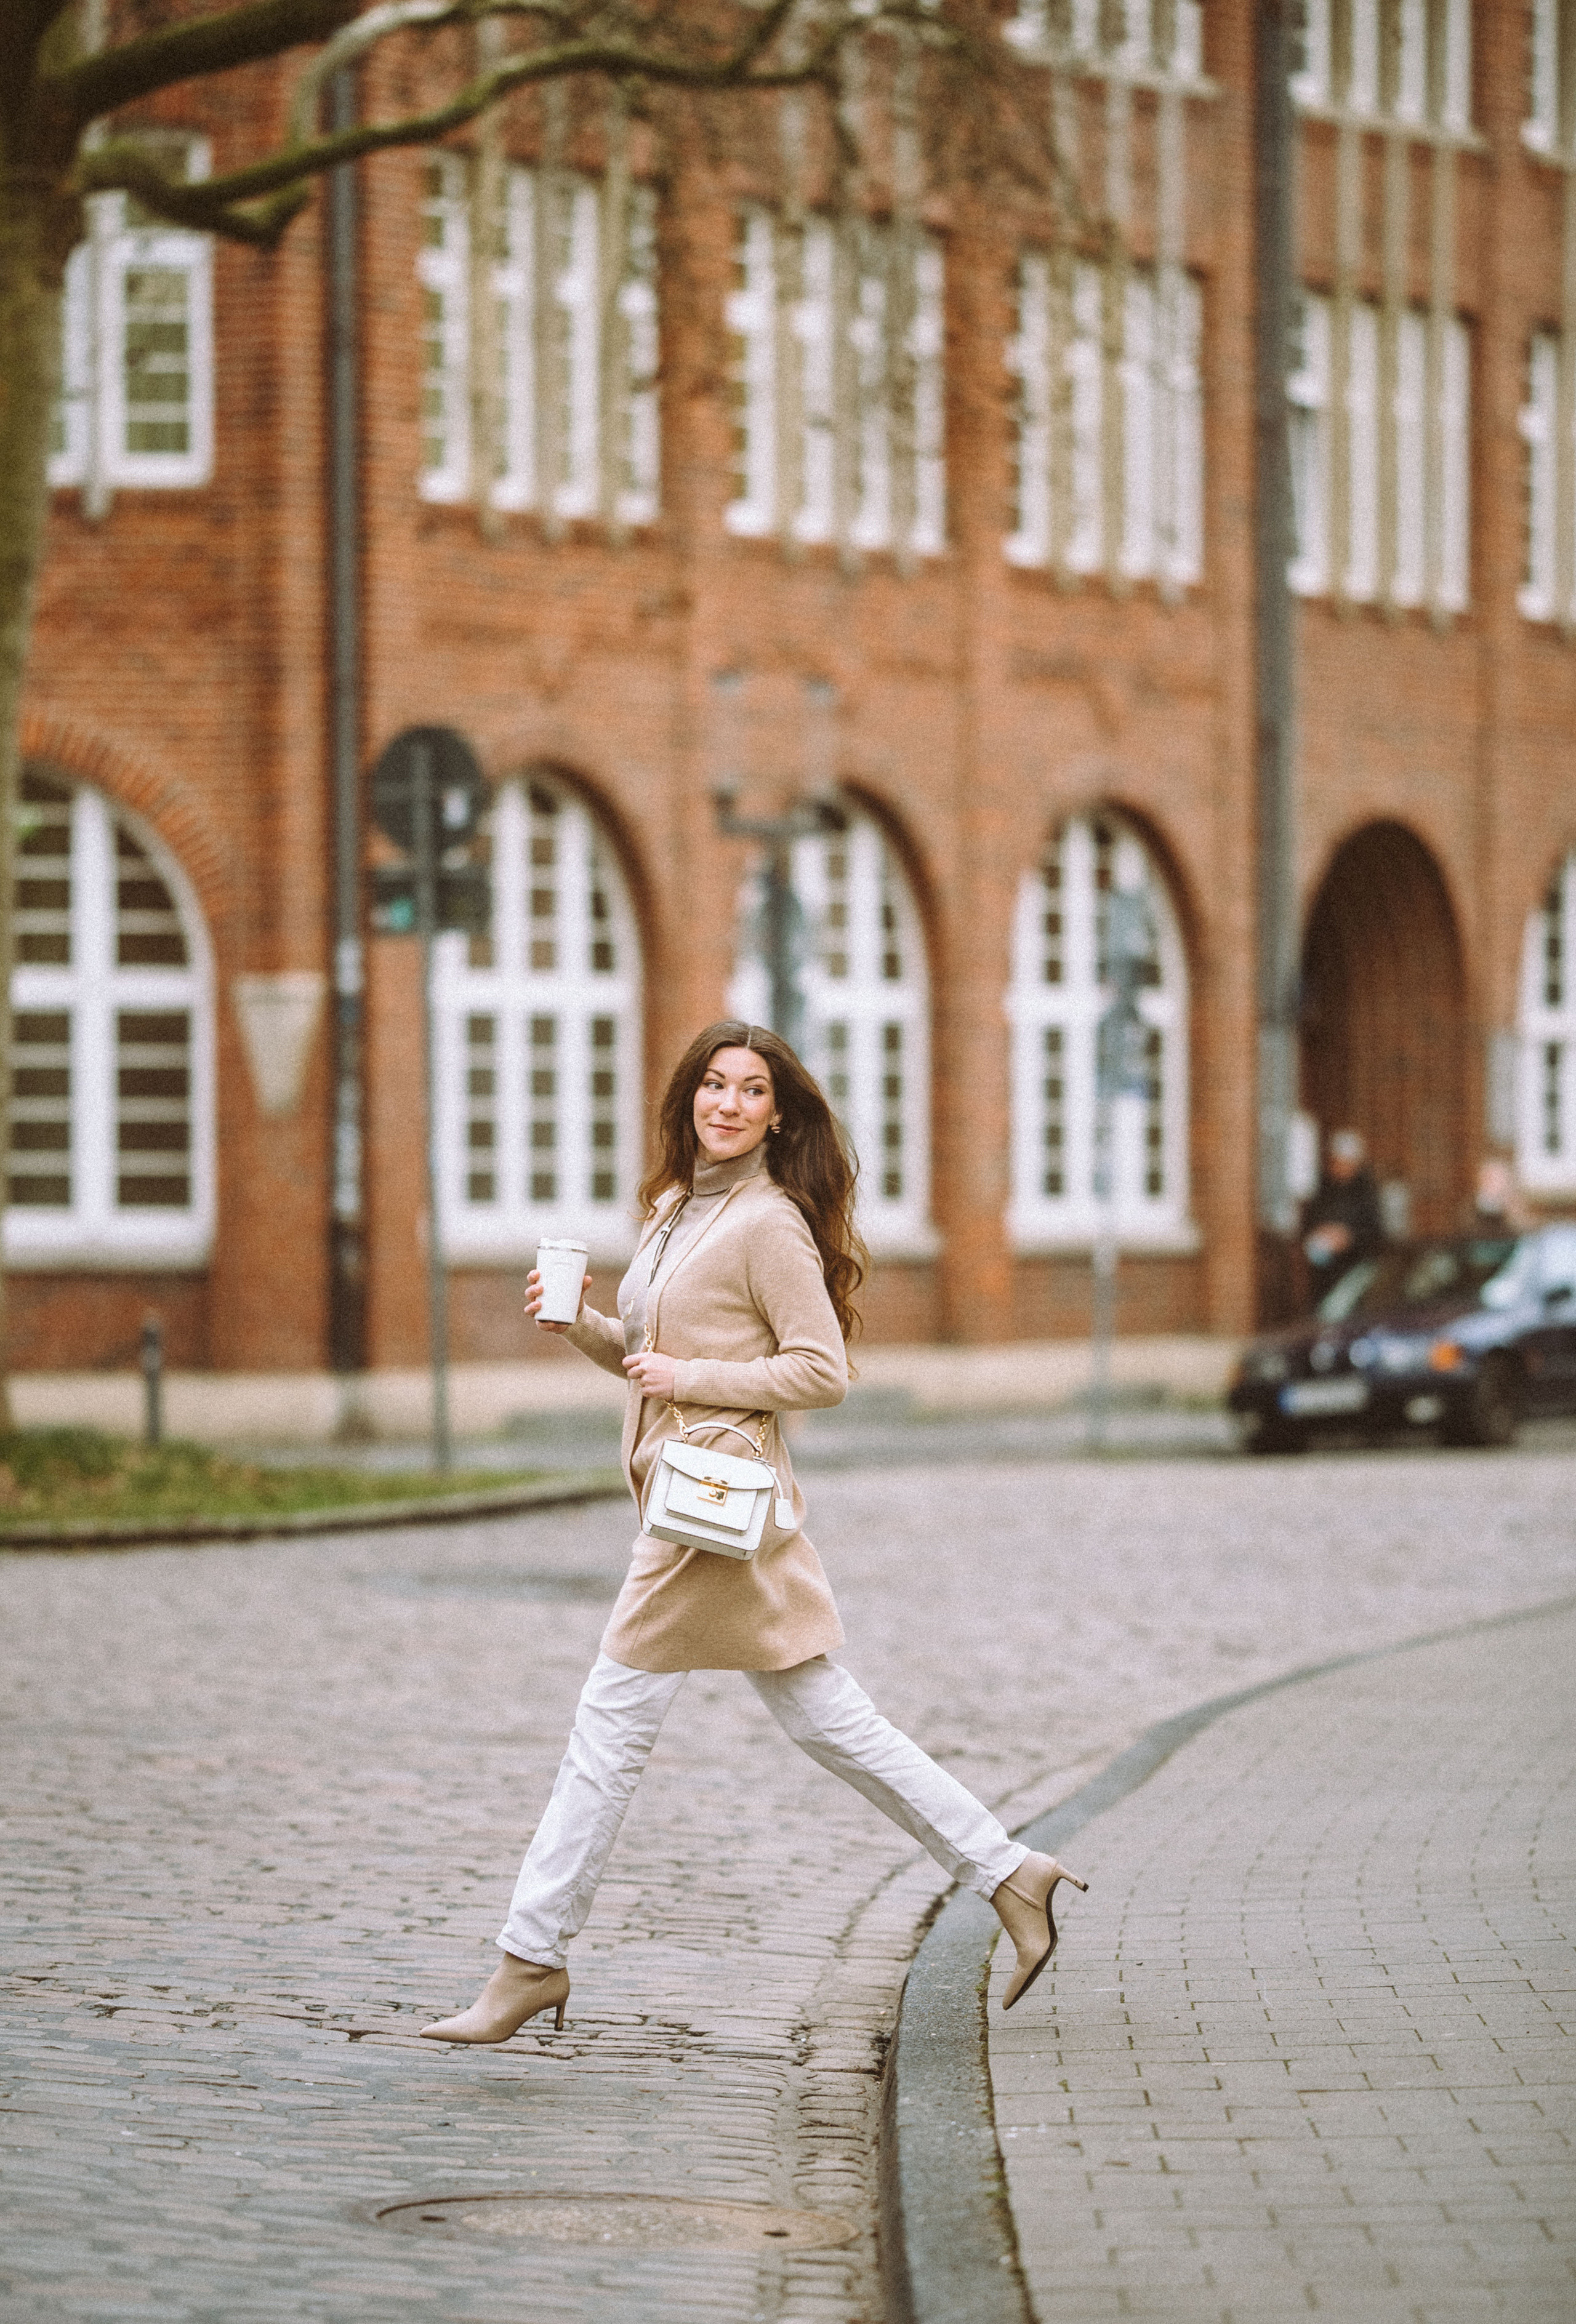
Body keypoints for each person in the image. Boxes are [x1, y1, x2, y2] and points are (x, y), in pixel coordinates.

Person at [422, 1021, 1084, 2045]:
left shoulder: (771, 1223)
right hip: (693, 1496)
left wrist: (696, 1380)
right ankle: (1009, 1873)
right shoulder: (677, 1209)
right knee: (826, 1718)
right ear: (688, 1097)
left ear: (779, 1113)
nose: (725, 1104)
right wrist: (588, 1328)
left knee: (608, 1729)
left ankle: (529, 1958)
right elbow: (650, 1355)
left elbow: (819, 1371)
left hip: (709, 1512)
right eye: (712, 1085)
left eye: (749, 1090)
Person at [1300, 1126, 1386, 1302]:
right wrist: (1320, 1233)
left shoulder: (1366, 1193)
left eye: (1345, 1163)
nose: (1339, 1168)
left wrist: (1349, 1238)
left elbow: (1377, 1233)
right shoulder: (1322, 1189)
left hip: (1355, 1269)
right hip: (1323, 1268)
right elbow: (1307, 1221)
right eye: (1336, 1162)